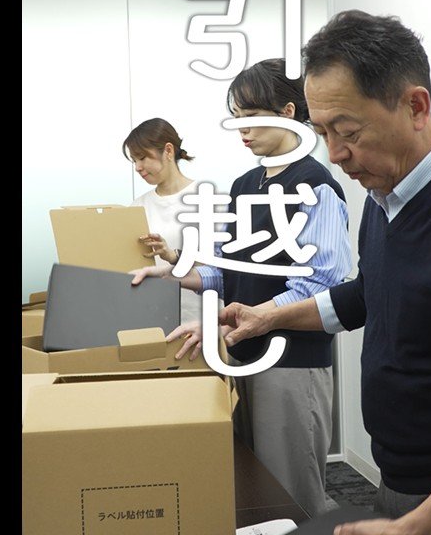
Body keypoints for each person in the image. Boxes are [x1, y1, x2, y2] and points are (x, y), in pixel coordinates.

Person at [217, 11, 431, 535]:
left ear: (415, 106)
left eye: (348, 132)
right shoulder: (388, 196)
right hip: (400, 476)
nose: (336, 155)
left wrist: (423, 523)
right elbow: (365, 294)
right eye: (322, 134)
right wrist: (268, 317)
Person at [130, 59, 353, 518]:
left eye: (250, 116)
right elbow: (223, 274)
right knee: (254, 487)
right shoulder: (245, 185)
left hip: (291, 361)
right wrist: (172, 272)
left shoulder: (314, 185)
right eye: (236, 117)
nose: (241, 129)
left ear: (288, 113)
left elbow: (321, 283)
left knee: (294, 492)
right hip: (241, 353)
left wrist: (254, 318)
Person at [122, 117, 204, 322]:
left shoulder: (205, 198)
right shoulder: (138, 207)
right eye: (134, 160)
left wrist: (173, 255)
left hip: (199, 316)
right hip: (153, 315)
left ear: (168, 151)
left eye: (142, 158)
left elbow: (220, 265)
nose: (137, 167)